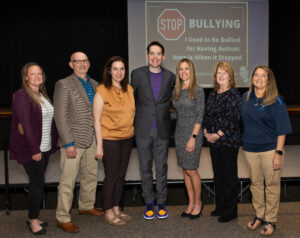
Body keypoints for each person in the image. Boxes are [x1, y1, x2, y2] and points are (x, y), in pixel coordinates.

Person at [54, 51, 104, 233]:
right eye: (78, 61)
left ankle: (86, 205)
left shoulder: (95, 84)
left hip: (92, 138)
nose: (82, 64)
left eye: (85, 61)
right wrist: (68, 142)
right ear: (71, 64)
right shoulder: (64, 84)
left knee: (90, 174)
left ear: (89, 63)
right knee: (68, 180)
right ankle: (62, 217)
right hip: (73, 140)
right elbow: (60, 116)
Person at [242, 65, 292, 236]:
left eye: (263, 76)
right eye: (256, 75)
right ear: (252, 78)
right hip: (250, 150)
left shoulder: (276, 100)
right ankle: (259, 216)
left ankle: (270, 220)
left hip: (270, 150)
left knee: (271, 186)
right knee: (256, 185)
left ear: (269, 80)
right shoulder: (245, 98)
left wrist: (278, 153)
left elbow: (283, 130)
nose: (259, 78)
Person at [9, 62, 58, 235]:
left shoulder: (42, 94)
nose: (37, 76)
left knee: (38, 182)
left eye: (40, 74)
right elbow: (27, 126)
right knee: (37, 184)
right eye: (33, 74)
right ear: (26, 77)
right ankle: (33, 220)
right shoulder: (22, 96)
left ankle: (32, 216)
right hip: (32, 149)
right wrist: (34, 149)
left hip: (44, 146)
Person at [130, 41, 175, 219]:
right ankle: (149, 202)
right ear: (147, 55)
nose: (155, 57)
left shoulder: (171, 76)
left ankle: (162, 202)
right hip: (142, 130)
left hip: (162, 131)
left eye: (158, 54)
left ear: (163, 57)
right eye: (152, 53)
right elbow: (130, 101)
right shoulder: (137, 74)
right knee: (145, 168)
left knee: (162, 168)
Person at [93, 56, 135, 225]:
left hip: (127, 138)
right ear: (109, 70)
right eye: (115, 68)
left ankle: (117, 208)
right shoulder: (101, 90)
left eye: (122, 69)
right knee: (111, 176)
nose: (119, 72)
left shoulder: (129, 89)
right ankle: (108, 211)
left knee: (121, 175)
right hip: (110, 140)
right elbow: (96, 120)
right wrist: (100, 146)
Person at [202, 62, 241, 223]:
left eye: (224, 73)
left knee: (229, 177)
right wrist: (205, 132)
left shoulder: (234, 95)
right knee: (218, 175)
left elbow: (233, 119)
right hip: (213, 142)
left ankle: (231, 211)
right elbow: (206, 115)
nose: (221, 75)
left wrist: (217, 134)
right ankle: (221, 206)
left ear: (230, 76)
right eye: (218, 72)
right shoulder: (213, 94)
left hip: (228, 142)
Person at [171, 58, 205, 219]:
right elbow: (176, 114)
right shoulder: (176, 91)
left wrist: (193, 137)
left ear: (192, 71)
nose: (183, 72)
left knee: (192, 170)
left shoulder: (198, 90)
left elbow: (200, 116)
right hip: (179, 134)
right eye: (180, 69)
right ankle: (190, 203)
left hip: (193, 135)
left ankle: (198, 202)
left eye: (186, 69)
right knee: (185, 170)